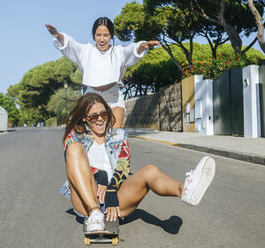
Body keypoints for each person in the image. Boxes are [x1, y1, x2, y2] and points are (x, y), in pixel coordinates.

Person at [60, 92, 216, 232]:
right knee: (73, 149)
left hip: (115, 198)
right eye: (94, 116)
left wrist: (111, 188)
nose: (100, 119)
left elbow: (124, 166)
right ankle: (95, 213)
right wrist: (99, 176)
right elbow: (73, 163)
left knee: (149, 170)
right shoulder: (74, 137)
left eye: (103, 114)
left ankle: (185, 189)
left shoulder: (119, 136)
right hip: (86, 199)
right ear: (84, 118)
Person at [45, 17, 161, 128]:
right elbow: (70, 45)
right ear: (93, 36)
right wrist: (58, 35)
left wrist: (142, 46)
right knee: (94, 138)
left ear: (111, 35)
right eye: (98, 35)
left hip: (113, 97)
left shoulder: (118, 52)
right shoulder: (86, 51)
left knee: (115, 136)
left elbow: (131, 50)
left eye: (106, 35)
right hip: (92, 97)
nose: (102, 39)